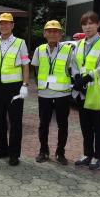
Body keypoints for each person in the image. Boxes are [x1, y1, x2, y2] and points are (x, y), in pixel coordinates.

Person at [0, 13, 30, 166]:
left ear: (12, 25)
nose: (3, 26)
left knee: (15, 121)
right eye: (1, 23)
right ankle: (2, 149)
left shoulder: (20, 43)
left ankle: (14, 154)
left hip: (15, 87)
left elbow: (25, 65)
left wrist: (25, 85)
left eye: (7, 23)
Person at [72, 11, 100, 170]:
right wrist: (77, 78)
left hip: (97, 91)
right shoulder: (80, 44)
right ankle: (87, 154)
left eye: (91, 23)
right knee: (85, 126)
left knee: (98, 126)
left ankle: (98, 157)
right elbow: (75, 64)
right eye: (84, 23)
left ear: (98, 24)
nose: (87, 27)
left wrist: (88, 77)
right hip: (83, 91)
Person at [31, 20, 73, 165]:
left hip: (62, 93)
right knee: (43, 124)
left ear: (61, 34)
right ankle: (43, 151)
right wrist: (40, 84)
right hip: (44, 93)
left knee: (63, 125)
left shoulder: (68, 50)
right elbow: (35, 68)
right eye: (49, 31)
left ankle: (60, 153)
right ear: (44, 34)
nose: (52, 34)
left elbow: (71, 69)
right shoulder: (39, 49)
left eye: (56, 31)